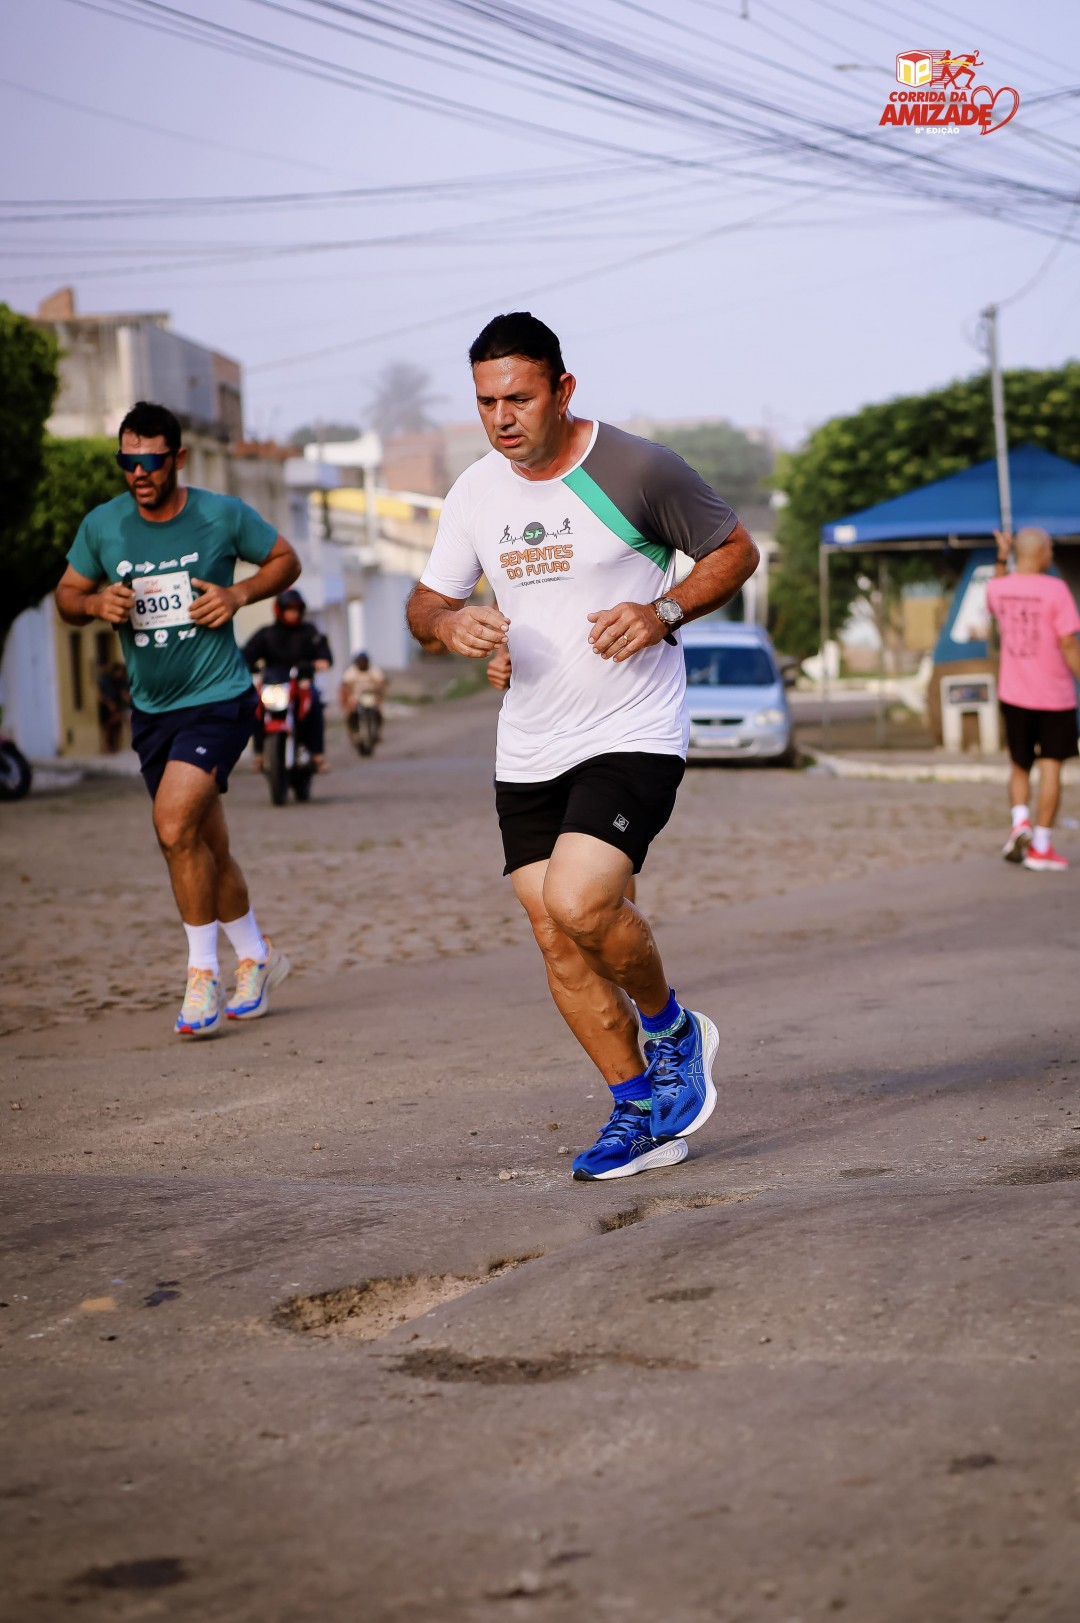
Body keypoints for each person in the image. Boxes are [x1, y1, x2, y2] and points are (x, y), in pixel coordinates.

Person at [407, 311, 759, 1181]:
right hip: (529, 741)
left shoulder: (636, 468)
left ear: (562, 388)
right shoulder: (475, 492)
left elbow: (735, 550)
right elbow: (425, 604)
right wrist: (451, 625)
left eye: (519, 398)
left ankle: (673, 1028)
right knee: (557, 936)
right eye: (486, 402)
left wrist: (663, 610)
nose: (502, 418)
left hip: (631, 729)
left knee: (581, 899)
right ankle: (639, 1112)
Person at [55, 400, 299, 1037]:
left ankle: (202, 976)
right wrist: (95, 604)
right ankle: (257, 956)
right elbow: (67, 596)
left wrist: (238, 594)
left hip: (218, 699)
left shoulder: (220, 515)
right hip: (152, 710)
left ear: (178, 458)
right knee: (203, 844)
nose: (139, 473)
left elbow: (285, 560)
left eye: (152, 461)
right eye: (128, 461)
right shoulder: (104, 525)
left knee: (171, 826)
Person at [988, 526, 1080, 872]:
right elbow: (1068, 644)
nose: (1052, 554)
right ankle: (1041, 845)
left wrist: (1002, 557)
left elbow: (996, 589)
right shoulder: (1056, 590)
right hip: (1055, 696)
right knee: (1051, 766)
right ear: (1040, 552)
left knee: (1019, 764)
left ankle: (1019, 822)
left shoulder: (999, 588)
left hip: (1014, 694)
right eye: (1050, 548)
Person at [243, 589, 333, 773]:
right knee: (253, 704)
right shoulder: (267, 633)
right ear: (279, 610)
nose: (293, 613)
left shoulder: (309, 631)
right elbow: (247, 653)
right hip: (272, 685)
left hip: (300, 684)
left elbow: (324, 654)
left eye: (296, 609)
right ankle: (259, 753)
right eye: (289, 608)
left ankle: (317, 755)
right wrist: (245, 664)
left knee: (315, 701)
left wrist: (319, 662)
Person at [340, 650, 388, 741]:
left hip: (371, 695)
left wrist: (379, 691)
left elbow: (381, 681)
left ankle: (378, 731)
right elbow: (345, 685)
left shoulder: (373, 670)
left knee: (379, 711)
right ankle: (352, 731)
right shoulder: (352, 671)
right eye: (361, 661)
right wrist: (348, 696)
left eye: (364, 661)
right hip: (356, 696)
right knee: (350, 711)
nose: (363, 663)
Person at [97, 659, 130, 753]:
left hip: (117, 706)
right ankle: (106, 747)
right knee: (108, 727)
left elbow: (124, 694)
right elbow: (101, 694)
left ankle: (116, 746)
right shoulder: (106, 680)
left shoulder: (121, 681)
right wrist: (109, 703)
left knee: (117, 726)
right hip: (107, 707)